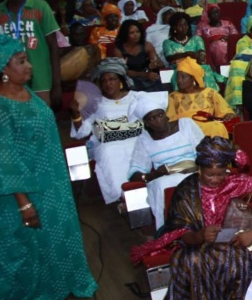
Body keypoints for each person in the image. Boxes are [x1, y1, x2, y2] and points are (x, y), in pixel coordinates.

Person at [133, 137, 252, 300]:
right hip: (201, 245)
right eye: (210, 175)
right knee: (195, 262)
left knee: (247, 255)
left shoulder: (241, 182)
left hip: (242, 238)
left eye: (221, 174)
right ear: (199, 170)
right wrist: (199, 235)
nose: (216, 180)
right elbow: (179, 232)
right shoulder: (187, 190)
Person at [0, 35, 97, 300]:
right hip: (22, 189)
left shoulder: (28, 94)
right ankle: (22, 299)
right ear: (2, 67)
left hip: (50, 182)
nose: (29, 66)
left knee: (56, 235)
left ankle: (59, 285)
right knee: (26, 243)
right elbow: (4, 160)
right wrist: (23, 203)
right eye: (21, 61)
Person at [68, 58, 147, 203]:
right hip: (107, 143)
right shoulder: (96, 102)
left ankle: (144, 193)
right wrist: (75, 114)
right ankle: (122, 196)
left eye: (112, 79)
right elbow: (82, 132)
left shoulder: (136, 97)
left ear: (120, 81)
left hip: (136, 140)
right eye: (104, 81)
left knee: (139, 149)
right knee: (110, 152)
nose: (108, 83)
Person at [127, 92, 206, 228]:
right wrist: (155, 174)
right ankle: (171, 229)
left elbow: (204, 151)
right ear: (146, 123)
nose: (157, 121)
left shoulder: (185, 124)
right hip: (165, 176)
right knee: (160, 185)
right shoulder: (144, 139)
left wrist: (197, 166)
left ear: (166, 115)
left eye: (160, 115)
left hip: (193, 169)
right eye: (152, 119)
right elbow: (135, 172)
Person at [0, 0, 62, 107]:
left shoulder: (40, 7)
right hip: (10, 80)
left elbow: (54, 46)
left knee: (40, 122)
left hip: (41, 78)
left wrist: (57, 84)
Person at [167, 57, 236, 139]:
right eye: (178, 77)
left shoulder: (210, 92)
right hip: (186, 129)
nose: (179, 80)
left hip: (208, 125)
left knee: (217, 126)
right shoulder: (172, 97)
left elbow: (225, 111)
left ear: (192, 78)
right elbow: (171, 120)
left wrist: (228, 115)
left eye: (183, 77)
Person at [111, 20, 165, 92]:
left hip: (148, 75)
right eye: (132, 33)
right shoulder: (118, 50)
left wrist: (155, 63)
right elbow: (122, 71)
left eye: (138, 32)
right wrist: (143, 74)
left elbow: (157, 63)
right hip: (129, 78)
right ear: (125, 34)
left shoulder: (147, 45)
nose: (136, 35)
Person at [196, 4, 238, 68]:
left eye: (217, 12)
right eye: (213, 13)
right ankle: (221, 68)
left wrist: (227, 38)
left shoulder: (228, 23)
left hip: (228, 44)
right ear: (208, 15)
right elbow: (197, 39)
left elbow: (235, 37)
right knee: (218, 45)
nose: (216, 15)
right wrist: (214, 39)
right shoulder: (202, 26)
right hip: (211, 47)